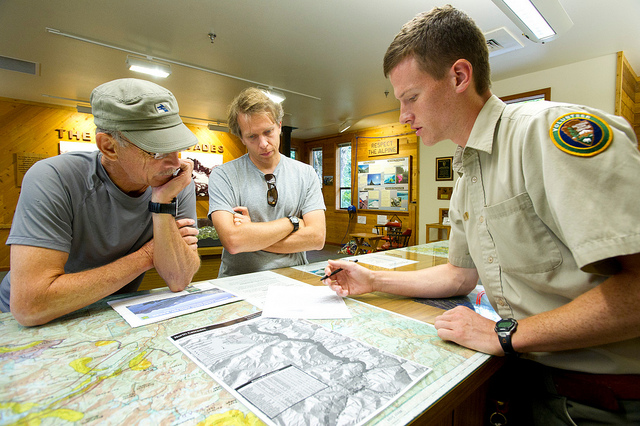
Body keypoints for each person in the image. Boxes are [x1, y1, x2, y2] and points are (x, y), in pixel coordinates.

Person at [323, 6, 640, 425]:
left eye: (411, 98)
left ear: (458, 77)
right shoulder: (467, 164)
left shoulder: (547, 133)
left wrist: (503, 334)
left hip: (596, 399)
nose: (403, 115)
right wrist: (373, 279)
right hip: (533, 377)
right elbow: (459, 275)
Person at [0, 78, 201, 326]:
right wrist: (151, 254)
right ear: (109, 147)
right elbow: (31, 305)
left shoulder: (174, 184)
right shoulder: (53, 177)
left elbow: (179, 278)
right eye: (156, 151)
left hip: (105, 314)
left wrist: (161, 204)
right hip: (23, 324)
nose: (173, 163)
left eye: (176, 148)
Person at [208, 87, 325, 277]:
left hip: (295, 279)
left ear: (279, 126)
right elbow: (234, 242)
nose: (263, 143)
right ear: (241, 138)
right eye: (252, 136)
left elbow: (317, 238)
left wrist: (252, 235)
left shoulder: (306, 173)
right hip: (241, 282)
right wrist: (293, 223)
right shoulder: (223, 175)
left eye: (268, 132)